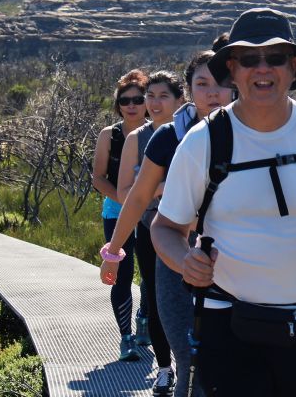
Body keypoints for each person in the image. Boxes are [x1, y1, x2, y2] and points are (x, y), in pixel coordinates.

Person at [151, 8, 296, 397]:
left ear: (292, 68)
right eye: (249, 59)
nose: (263, 68)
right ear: (233, 70)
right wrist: (184, 263)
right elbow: (165, 228)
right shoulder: (204, 141)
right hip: (225, 322)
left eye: (275, 58)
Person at [102, 37, 232, 397]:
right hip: (175, 258)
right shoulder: (168, 138)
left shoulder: (258, 136)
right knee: (189, 361)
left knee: (232, 363)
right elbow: (138, 196)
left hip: (237, 262)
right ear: (189, 91)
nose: (213, 93)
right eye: (202, 84)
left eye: (222, 84)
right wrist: (113, 252)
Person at [115, 71, 185, 372]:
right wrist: (157, 187)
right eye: (150, 96)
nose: (154, 103)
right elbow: (124, 193)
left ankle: (190, 367)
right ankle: (164, 368)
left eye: (163, 96)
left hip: (190, 230)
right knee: (157, 298)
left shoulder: (193, 134)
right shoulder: (137, 138)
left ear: (180, 99)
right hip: (149, 228)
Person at [92, 69, 149, 362]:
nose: (132, 105)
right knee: (122, 275)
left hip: (153, 214)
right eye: (125, 100)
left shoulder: (159, 133)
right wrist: (125, 200)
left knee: (152, 277)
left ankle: (145, 319)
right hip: (116, 213)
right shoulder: (109, 136)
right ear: (118, 105)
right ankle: (125, 337)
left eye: (138, 99)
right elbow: (98, 177)